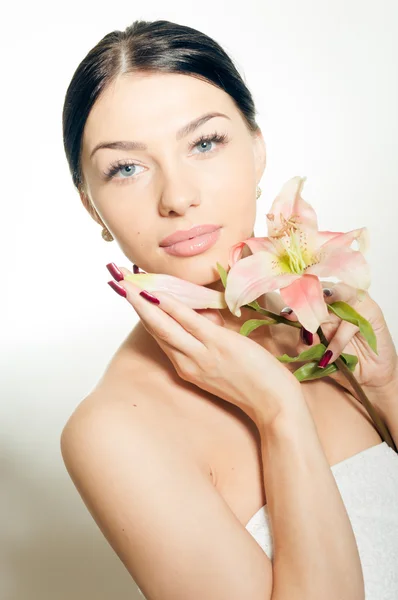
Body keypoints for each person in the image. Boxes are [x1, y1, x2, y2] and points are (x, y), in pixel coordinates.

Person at [60, 19, 398, 600]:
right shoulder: (114, 432)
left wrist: (388, 386)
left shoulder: (319, 320)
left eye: (204, 143)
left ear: (257, 149)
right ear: (92, 206)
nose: (178, 196)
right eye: (126, 167)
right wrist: (279, 413)